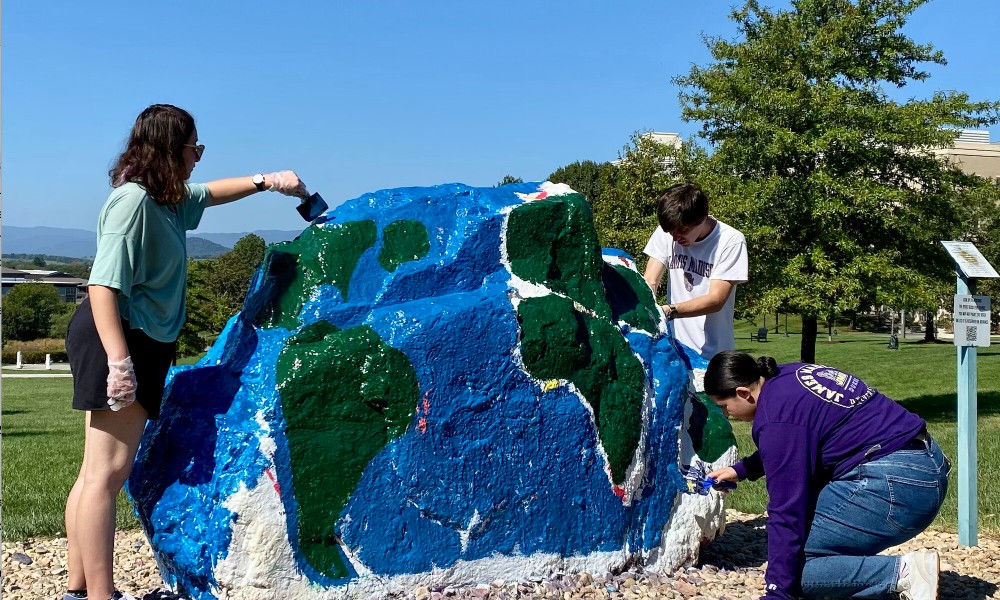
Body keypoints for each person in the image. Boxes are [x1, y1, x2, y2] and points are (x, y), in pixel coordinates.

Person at [63, 104, 310, 600]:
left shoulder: (168, 200)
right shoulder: (133, 203)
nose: (199, 157)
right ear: (169, 150)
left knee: (95, 471)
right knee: (107, 474)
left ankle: (77, 589)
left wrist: (270, 180)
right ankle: (100, 596)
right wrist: (119, 362)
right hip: (120, 335)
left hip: (138, 337)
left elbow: (212, 193)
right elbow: (102, 286)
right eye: (194, 147)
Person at [704, 352, 950, 600]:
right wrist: (743, 469)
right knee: (794, 554)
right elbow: (798, 440)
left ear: (744, 393)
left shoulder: (776, 418)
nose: (727, 415)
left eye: (724, 407)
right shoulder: (786, 376)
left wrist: (777, 593)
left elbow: (787, 510)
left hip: (900, 488)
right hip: (924, 464)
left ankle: (903, 573)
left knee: (796, 569)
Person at [642, 182, 748, 361]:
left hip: (715, 356)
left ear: (702, 218)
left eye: (683, 230)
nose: (675, 238)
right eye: (671, 232)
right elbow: (650, 280)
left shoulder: (730, 241)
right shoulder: (668, 231)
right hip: (676, 350)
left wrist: (669, 311)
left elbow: (716, 300)